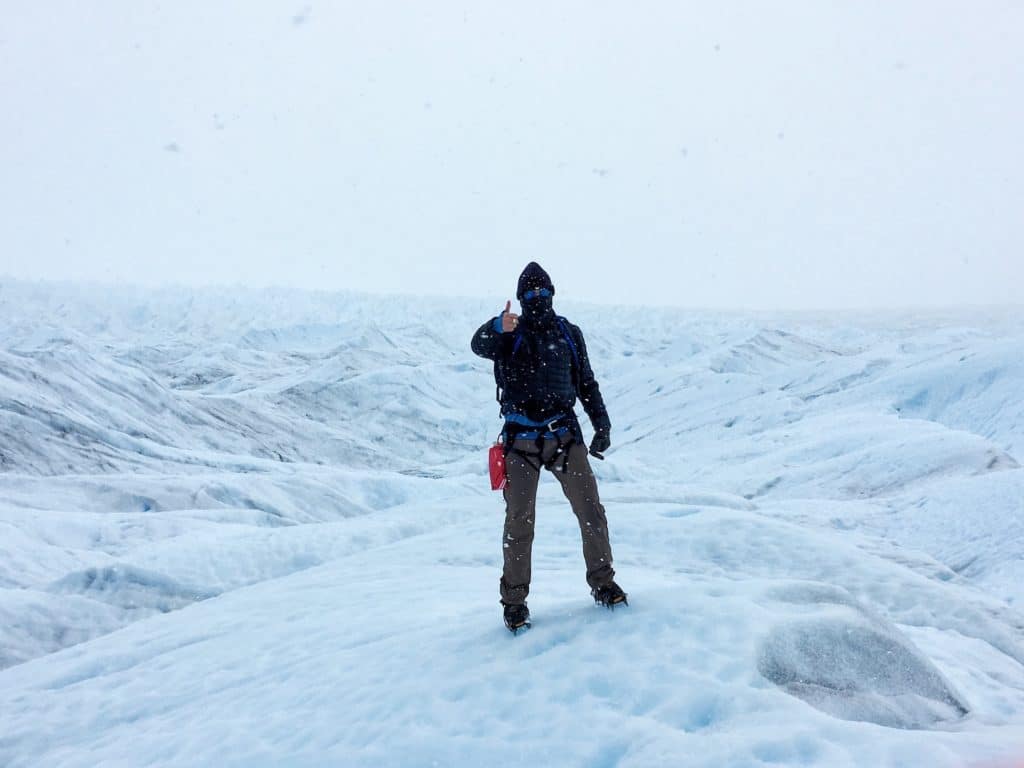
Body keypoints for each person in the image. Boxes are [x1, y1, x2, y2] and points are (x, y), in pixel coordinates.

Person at [471, 262, 627, 633]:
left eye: (543, 292)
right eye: (530, 293)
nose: (537, 298)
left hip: (565, 437)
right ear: (521, 298)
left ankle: (603, 583)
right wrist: (496, 326)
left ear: (553, 294)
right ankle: (514, 603)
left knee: (591, 511)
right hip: (520, 442)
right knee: (519, 524)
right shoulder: (510, 333)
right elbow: (477, 345)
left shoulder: (569, 333)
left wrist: (601, 424)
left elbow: (586, 383)